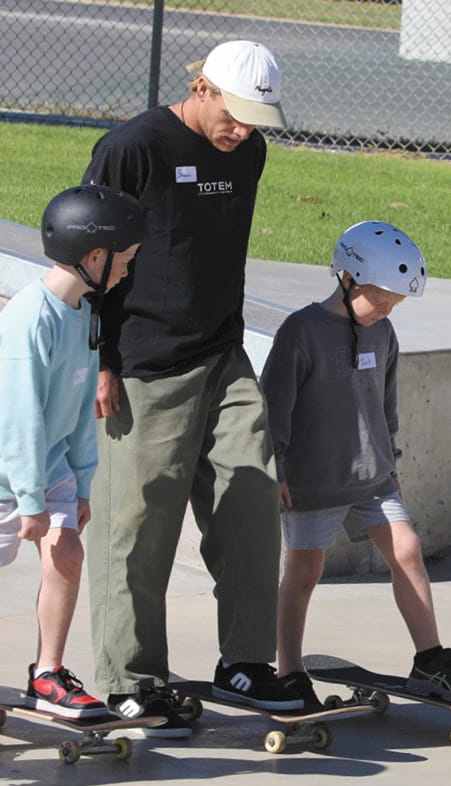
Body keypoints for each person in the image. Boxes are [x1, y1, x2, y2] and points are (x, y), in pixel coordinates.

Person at [81, 39, 301, 736]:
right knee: (138, 524)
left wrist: (230, 343)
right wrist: (99, 358)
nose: (242, 132)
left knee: (253, 498)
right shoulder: (133, 149)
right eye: (233, 115)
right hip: (143, 362)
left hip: (222, 355)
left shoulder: (251, 153)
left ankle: (244, 662)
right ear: (200, 87)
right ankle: (130, 678)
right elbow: (88, 253)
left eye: (255, 121)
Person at [0, 185, 148, 762]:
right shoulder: (30, 319)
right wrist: (31, 500)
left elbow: (81, 409)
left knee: (68, 553)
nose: (129, 269)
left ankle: (47, 674)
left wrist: (80, 481)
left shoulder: (84, 313)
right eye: (125, 258)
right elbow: (19, 419)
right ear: (95, 256)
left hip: (48, 464)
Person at [263, 221, 451, 708]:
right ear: (348, 280)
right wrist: (276, 468)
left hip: (373, 478)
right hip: (312, 478)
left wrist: (392, 467)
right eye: (381, 299)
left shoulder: (382, 333)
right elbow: (274, 407)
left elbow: (386, 407)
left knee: (407, 549)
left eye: (395, 304)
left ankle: (431, 660)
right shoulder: (301, 332)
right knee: (303, 572)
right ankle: (290, 671)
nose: (387, 310)